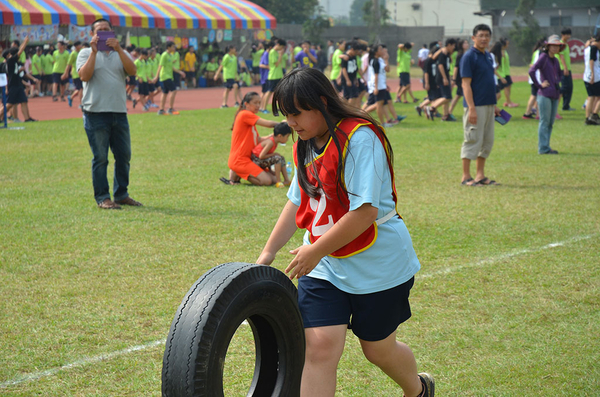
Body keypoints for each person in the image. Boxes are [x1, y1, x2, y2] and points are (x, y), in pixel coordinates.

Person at [255, 67, 435, 397]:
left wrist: (315, 250)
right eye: (286, 115)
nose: (291, 123)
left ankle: (419, 389)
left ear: (321, 102)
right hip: (325, 266)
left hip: (378, 265)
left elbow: (365, 213)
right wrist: (267, 254)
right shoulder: (306, 142)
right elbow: (297, 201)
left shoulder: (359, 138)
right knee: (319, 347)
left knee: (377, 349)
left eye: (297, 114)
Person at [77, 18, 142, 210]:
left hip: (119, 112)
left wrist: (120, 50)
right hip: (95, 113)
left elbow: (132, 71)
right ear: (92, 35)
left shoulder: (121, 54)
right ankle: (103, 197)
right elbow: (84, 76)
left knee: (124, 155)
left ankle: (121, 194)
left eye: (107, 30)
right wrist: (95, 53)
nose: (103, 33)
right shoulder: (85, 53)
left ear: (112, 32)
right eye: (99, 30)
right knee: (101, 157)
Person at [460, 24, 501, 186]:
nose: (484, 38)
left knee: (487, 140)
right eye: (481, 35)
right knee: (472, 139)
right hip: (475, 106)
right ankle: (465, 176)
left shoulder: (488, 56)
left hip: (489, 105)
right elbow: (465, 84)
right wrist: (471, 108)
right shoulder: (469, 57)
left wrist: (494, 105)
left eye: (487, 35)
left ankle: (480, 175)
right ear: (473, 38)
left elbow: (488, 81)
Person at [220, 92, 280, 186]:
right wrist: (284, 124)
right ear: (246, 104)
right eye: (255, 103)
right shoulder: (245, 114)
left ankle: (236, 174)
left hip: (248, 159)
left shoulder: (248, 118)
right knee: (267, 181)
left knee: (274, 179)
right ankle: (236, 172)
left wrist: (274, 136)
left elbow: (258, 139)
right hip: (240, 160)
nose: (258, 106)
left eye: (259, 103)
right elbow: (268, 124)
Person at [529, 35, 564, 155]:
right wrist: (539, 85)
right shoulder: (543, 57)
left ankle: (546, 146)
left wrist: (557, 82)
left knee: (550, 122)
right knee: (544, 122)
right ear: (548, 46)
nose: (555, 48)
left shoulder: (555, 60)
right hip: (544, 94)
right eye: (553, 45)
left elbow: (560, 74)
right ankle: (543, 148)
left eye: (557, 46)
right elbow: (532, 70)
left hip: (554, 94)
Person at [2, 38, 38, 123]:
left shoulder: (17, 63)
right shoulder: (10, 61)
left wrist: (31, 79)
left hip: (18, 85)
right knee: (10, 104)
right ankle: (1, 115)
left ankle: (27, 118)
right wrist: (25, 42)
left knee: (24, 101)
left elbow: (21, 73)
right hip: (13, 85)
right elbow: (20, 52)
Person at [251, 122, 292, 187]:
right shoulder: (270, 142)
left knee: (281, 157)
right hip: (256, 160)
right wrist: (274, 154)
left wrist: (270, 170)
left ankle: (286, 180)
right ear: (280, 136)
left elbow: (268, 155)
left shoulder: (275, 142)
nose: (287, 139)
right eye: (287, 136)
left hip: (260, 160)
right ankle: (278, 182)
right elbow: (261, 156)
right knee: (277, 158)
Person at [427, 38, 456, 121]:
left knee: (446, 97)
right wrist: (444, 78)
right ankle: (431, 108)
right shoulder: (442, 53)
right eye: (453, 46)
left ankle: (446, 115)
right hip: (442, 78)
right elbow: (440, 65)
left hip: (445, 77)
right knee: (447, 97)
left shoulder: (446, 54)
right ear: (449, 45)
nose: (454, 47)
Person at [153, 41, 185, 115]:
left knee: (165, 93)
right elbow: (160, 66)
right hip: (165, 76)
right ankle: (170, 109)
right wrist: (156, 77)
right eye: (173, 47)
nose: (174, 48)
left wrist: (180, 72)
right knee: (174, 90)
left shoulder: (170, 55)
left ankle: (161, 110)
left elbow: (172, 67)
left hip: (169, 76)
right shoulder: (164, 55)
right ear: (168, 47)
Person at [261, 39, 288, 113]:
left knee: (279, 92)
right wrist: (280, 55)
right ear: (279, 45)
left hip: (278, 75)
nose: (282, 49)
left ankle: (280, 107)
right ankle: (263, 108)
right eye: (282, 47)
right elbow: (276, 64)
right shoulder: (272, 52)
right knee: (269, 92)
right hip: (273, 76)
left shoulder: (276, 52)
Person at [523, 38, 545, 119]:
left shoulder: (536, 52)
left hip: (533, 77)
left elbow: (531, 64)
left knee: (534, 95)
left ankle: (528, 113)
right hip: (537, 78)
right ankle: (537, 115)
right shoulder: (540, 52)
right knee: (538, 96)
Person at [448, 39, 470, 118]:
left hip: (465, 77)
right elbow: (456, 67)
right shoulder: (460, 55)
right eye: (465, 43)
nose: (466, 44)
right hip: (461, 78)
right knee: (465, 95)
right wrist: (453, 79)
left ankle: (449, 112)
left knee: (458, 95)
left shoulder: (466, 53)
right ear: (461, 45)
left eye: (467, 43)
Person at [583, 35, 600, 125]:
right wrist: (593, 75)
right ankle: (594, 115)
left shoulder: (588, 48)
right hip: (594, 76)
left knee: (591, 96)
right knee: (595, 96)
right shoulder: (594, 48)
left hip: (586, 75)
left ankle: (588, 118)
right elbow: (591, 60)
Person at [498, 38, 518, 108]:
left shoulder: (504, 51)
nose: (508, 45)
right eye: (507, 43)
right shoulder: (500, 52)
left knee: (508, 86)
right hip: (502, 73)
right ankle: (509, 102)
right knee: (503, 88)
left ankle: (508, 101)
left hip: (506, 73)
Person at [559, 28, 573, 111]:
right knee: (564, 88)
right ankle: (556, 101)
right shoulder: (561, 44)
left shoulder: (566, 44)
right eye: (567, 34)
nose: (569, 36)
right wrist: (565, 68)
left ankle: (566, 106)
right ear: (562, 35)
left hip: (568, 68)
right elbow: (561, 56)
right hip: (563, 69)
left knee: (569, 88)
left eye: (569, 34)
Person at [64, 41, 83, 108]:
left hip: (82, 73)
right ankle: (81, 104)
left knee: (80, 89)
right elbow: (69, 64)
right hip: (76, 74)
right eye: (79, 45)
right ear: (76, 46)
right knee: (81, 88)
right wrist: (66, 73)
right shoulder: (73, 54)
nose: (80, 46)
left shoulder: (81, 52)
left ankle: (71, 97)